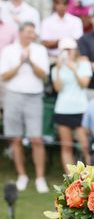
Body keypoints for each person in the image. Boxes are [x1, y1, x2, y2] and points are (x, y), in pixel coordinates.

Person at [0, 21, 49, 193]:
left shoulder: (40, 50)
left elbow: (43, 75)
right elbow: (4, 76)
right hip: (13, 95)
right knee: (15, 138)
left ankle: (40, 177)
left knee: (37, 139)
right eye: (28, 31)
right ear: (20, 32)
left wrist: (30, 61)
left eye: (33, 32)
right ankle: (22, 175)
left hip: (34, 96)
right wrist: (20, 63)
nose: (31, 35)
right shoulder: (9, 50)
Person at [51, 38, 92, 172]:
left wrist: (73, 69)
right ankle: (70, 178)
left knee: (85, 146)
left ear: (75, 50)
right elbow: (57, 88)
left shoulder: (84, 64)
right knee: (66, 146)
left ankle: (92, 175)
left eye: (70, 49)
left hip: (80, 109)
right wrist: (57, 69)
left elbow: (84, 84)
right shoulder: (57, 68)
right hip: (63, 109)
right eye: (65, 49)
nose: (68, 52)